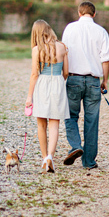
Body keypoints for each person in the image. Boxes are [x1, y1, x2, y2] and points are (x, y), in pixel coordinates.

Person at [61, 1, 109, 169]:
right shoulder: (101, 31)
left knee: (70, 115)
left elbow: (63, 53)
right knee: (92, 121)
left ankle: (76, 146)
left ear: (79, 13)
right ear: (94, 14)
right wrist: (104, 80)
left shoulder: (69, 28)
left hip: (73, 79)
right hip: (93, 81)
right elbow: (105, 59)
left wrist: (64, 76)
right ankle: (89, 162)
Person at [25, 19, 70, 173]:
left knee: (41, 124)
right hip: (57, 83)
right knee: (54, 124)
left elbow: (34, 74)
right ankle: (51, 156)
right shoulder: (62, 47)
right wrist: (57, 80)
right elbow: (66, 73)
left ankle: (44, 158)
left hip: (42, 84)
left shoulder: (37, 50)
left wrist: (29, 97)